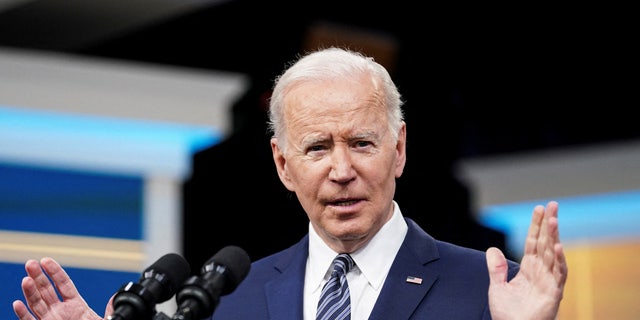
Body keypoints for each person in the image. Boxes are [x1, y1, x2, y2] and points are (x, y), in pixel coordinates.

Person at [12, 47, 567, 320]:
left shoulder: (493, 292)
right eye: (318, 148)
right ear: (283, 165)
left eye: (363, 143)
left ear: (399, 149)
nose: (341, 169)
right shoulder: (230, 299)